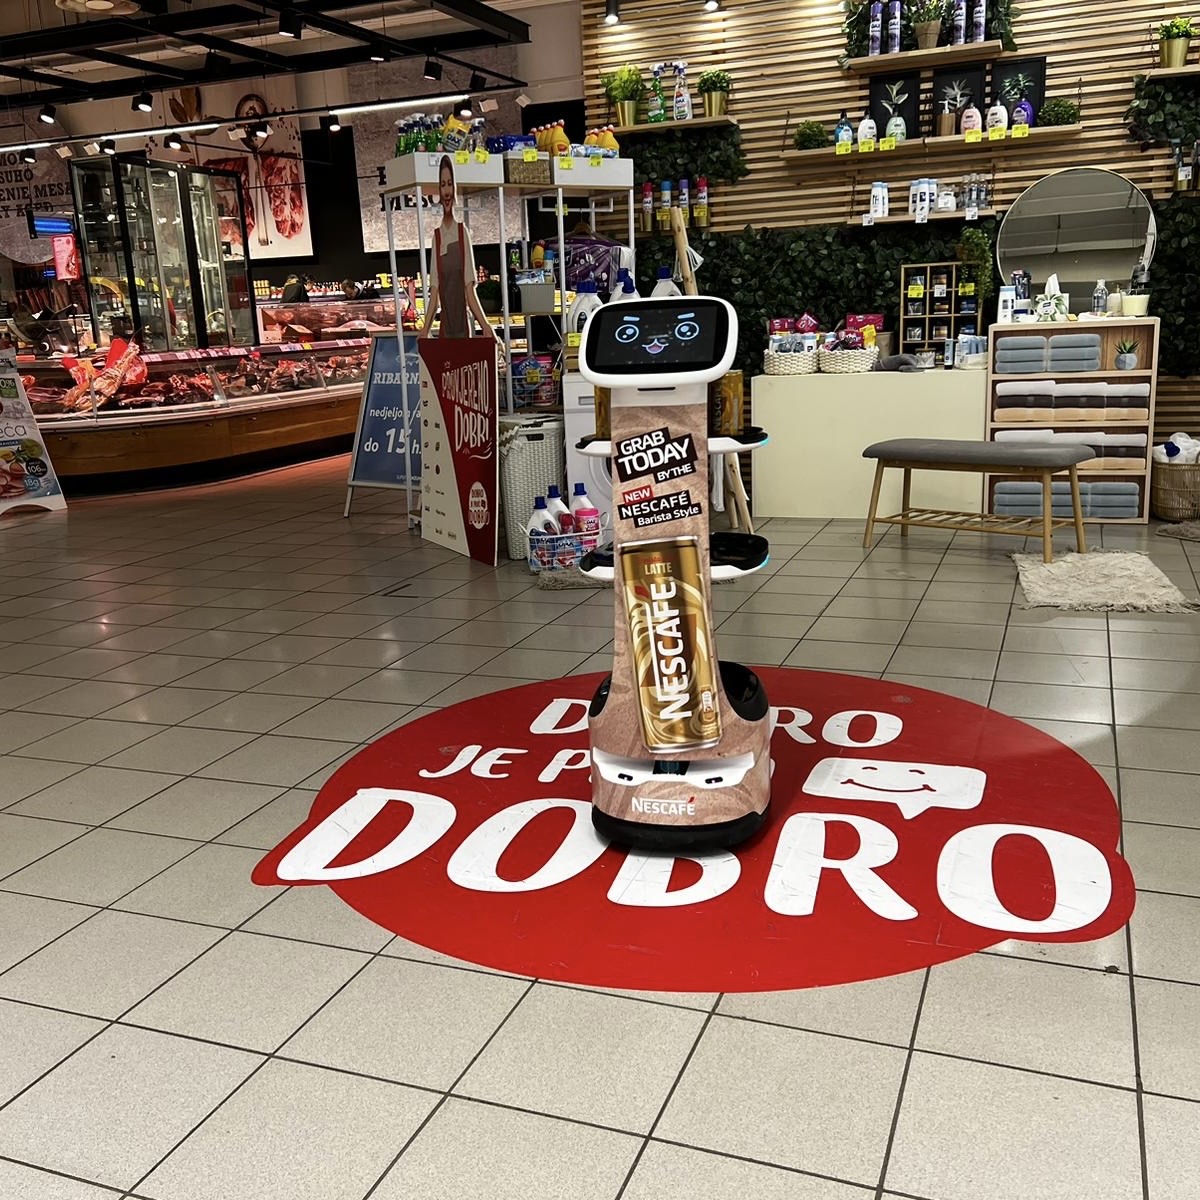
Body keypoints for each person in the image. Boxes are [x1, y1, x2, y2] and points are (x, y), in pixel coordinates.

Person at [420, 155, 504, 360]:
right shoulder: (437, 237)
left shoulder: (461, 232)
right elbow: (434, 293)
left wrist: (486, 328)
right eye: (443, 185)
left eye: (450, 184)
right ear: (439, 192)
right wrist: (425, 330)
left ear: (455, 189)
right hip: (445, 329)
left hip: (464, 328)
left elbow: (469, 290)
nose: (447, 190)